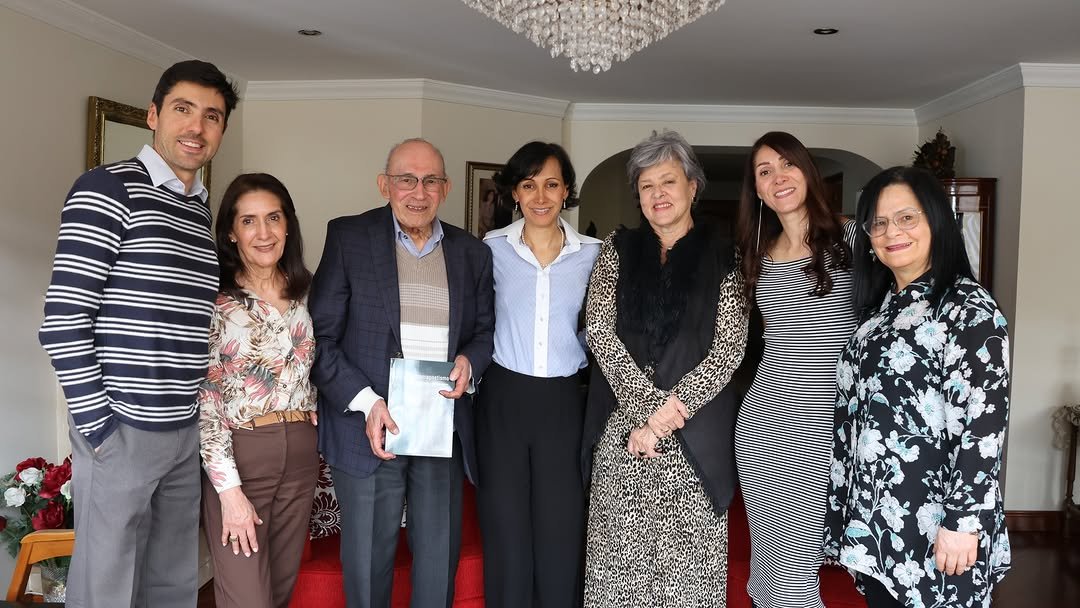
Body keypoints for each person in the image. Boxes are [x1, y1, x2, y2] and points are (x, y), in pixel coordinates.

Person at [37, 60, 238, 608]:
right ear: (154, 115)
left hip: (182, 430)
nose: (196, 127)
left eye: (212, 116)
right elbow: (62, 322)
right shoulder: (106, 188)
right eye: (182, 109)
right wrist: (100, 428)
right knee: (105, 586)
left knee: (172, 582)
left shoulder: (197, 212)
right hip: (121, 428)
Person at [308, 138, 495, 608]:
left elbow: (485, 332)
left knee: (438, 563)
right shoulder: (349, 238)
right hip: (368, 428)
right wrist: (368, 403)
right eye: (406, 179)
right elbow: (321, 339)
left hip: (440, 428)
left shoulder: (472, 253)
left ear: (446, 188)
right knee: (368, 568)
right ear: (384, 185)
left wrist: (470, 363)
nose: (418, 191)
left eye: (431, 180)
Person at [824, 166, 1011, 607]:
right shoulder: (881, 308)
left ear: (935, 221)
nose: (892, 232)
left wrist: (963, 522)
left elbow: (984, 426)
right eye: (880, 223)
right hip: (879, 522)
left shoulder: (968, 307)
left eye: (907, 218)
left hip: (938, 527)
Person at [581, 130, 748, 607]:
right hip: (623, 437)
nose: (658, 194)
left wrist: (664, 418)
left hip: (692, 438)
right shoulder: (618, 247)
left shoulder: (724, 254)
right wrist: (646, 413)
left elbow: (729, 350)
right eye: (647, 184)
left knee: (687, 579)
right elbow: (598, 330)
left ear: (693, 185)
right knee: (619, 575)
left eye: (668, 181)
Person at [733, 131, 856, 608]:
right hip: (763, 422)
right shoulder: (757, 257)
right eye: (765, 172)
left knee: (799, 566)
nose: (777, 178)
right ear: (757, 190)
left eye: (787, 165)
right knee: (770, 565)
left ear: (807, 172)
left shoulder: (850, 240)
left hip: (824, 422)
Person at [476, 142, 601, 607]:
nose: (541, 196)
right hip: (503, 399)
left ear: (566, 189)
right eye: (529, 185)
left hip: (566, 402)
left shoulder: (595, 253)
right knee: (505, 526)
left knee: (561, 527)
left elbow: (605, 329)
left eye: (551, 184)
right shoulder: (489, 249)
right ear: (514, 192)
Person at [197, 173, 318, 608]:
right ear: (231, 231)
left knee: (279, 592)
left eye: (273, 218)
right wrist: (229, 492)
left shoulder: (308, 292)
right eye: (249, 221)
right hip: (242, 454)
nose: (263, 232)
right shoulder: (215, 301)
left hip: (302, 454)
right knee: (247, 598)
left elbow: (313, 366)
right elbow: (207, 400)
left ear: (288, 225)